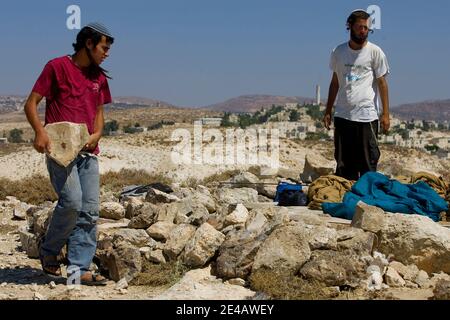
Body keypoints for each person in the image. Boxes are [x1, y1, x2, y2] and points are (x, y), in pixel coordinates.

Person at [24, 22, 114, 285]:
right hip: (60, 151)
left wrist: (96, 135)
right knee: (72, 202)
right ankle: (49, 250)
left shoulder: (99, 78)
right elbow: (31, 104)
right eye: (103, 47)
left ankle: (79, 269)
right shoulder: (56, 67)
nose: (106, 53)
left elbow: (99, 116)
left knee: (89, 210)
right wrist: (40, 132)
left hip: (88, 152)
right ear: (89, 44)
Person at [323, 9, 390, 181]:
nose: (363, 31)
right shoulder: (338, 52)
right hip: (343, 116)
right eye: (360, 27)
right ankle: (347, 200)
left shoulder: (375, 52)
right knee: (344, 164)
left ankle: (368, 202)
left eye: (366, 28)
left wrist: (386, 114)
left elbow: (382, 83)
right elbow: (335, 82)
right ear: (350, 26)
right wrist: (328, 110)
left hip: (366, 117)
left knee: (369, 163)